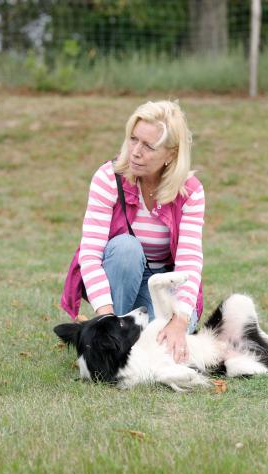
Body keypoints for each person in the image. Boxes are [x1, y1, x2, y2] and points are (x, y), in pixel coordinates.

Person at [69, 100, 205, 363]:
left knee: (162, 343)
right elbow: (89, 255)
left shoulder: (190, 191)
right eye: (133, 140)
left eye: (148, 146)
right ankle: (111, 338)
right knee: (125, 248)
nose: (135, 152)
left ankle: (129, 344)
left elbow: (190, 264)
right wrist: (107, 317)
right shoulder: (107, 178)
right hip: (122, 275)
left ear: (171, 154)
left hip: (165, 285)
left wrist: (179, 322)